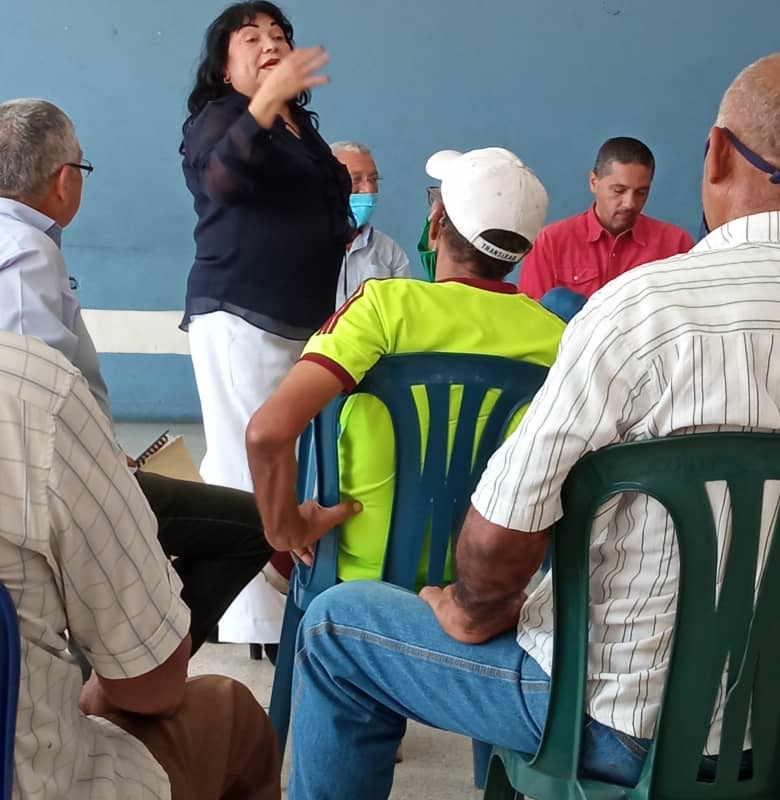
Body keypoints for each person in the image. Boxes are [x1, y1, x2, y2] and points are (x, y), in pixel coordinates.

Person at [272, 53, 780, 800]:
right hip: (765, 723)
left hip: (615, 716)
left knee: (336, 629)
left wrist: (466, 608)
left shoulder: (639, 313)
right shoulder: (551, 329)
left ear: (717, 155)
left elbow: (501, 536)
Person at [0, 98, 273, 656]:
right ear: (64, 180)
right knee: (250, 527)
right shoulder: (28, 251)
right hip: (49, 485)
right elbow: (36, 389)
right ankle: (139, 675)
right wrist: (101, 460)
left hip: (43, 474)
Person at [245, 146, 564, 586]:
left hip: (359, 578)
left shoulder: (382, 306)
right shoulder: (558, 338)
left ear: (436, 223)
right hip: (480, 589)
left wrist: (287, 531)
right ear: (522, 250)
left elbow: (267, 433)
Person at [0, 330, 280, 800]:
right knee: (231, 709)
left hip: (98, 478)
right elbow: (152, 691)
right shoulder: (30, 389)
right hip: (45, 783)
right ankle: (126, 650)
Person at [180, 0, 352, 650]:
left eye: (278, 34)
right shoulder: (218, 119)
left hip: (300, 319)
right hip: (240, 313)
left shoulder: (298, 128)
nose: (270, 42)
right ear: (225, 67)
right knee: (244, 464)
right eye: (250, 37)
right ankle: (249, 624)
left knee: (286, 465)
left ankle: (282, 607)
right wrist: (265, 102)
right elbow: (223, 181)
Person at [519, 136, 693, 300]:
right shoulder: (550, 243)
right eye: (619, 190)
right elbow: (531, 315)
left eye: (641, 192)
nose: (630, 203)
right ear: (594, 182)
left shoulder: (677, 245)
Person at [330, 141, 410, 306]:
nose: (369, 189)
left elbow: (403, 310)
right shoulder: (301, 246)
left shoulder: (388, 250)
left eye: (373, 179)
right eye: (355, 179)